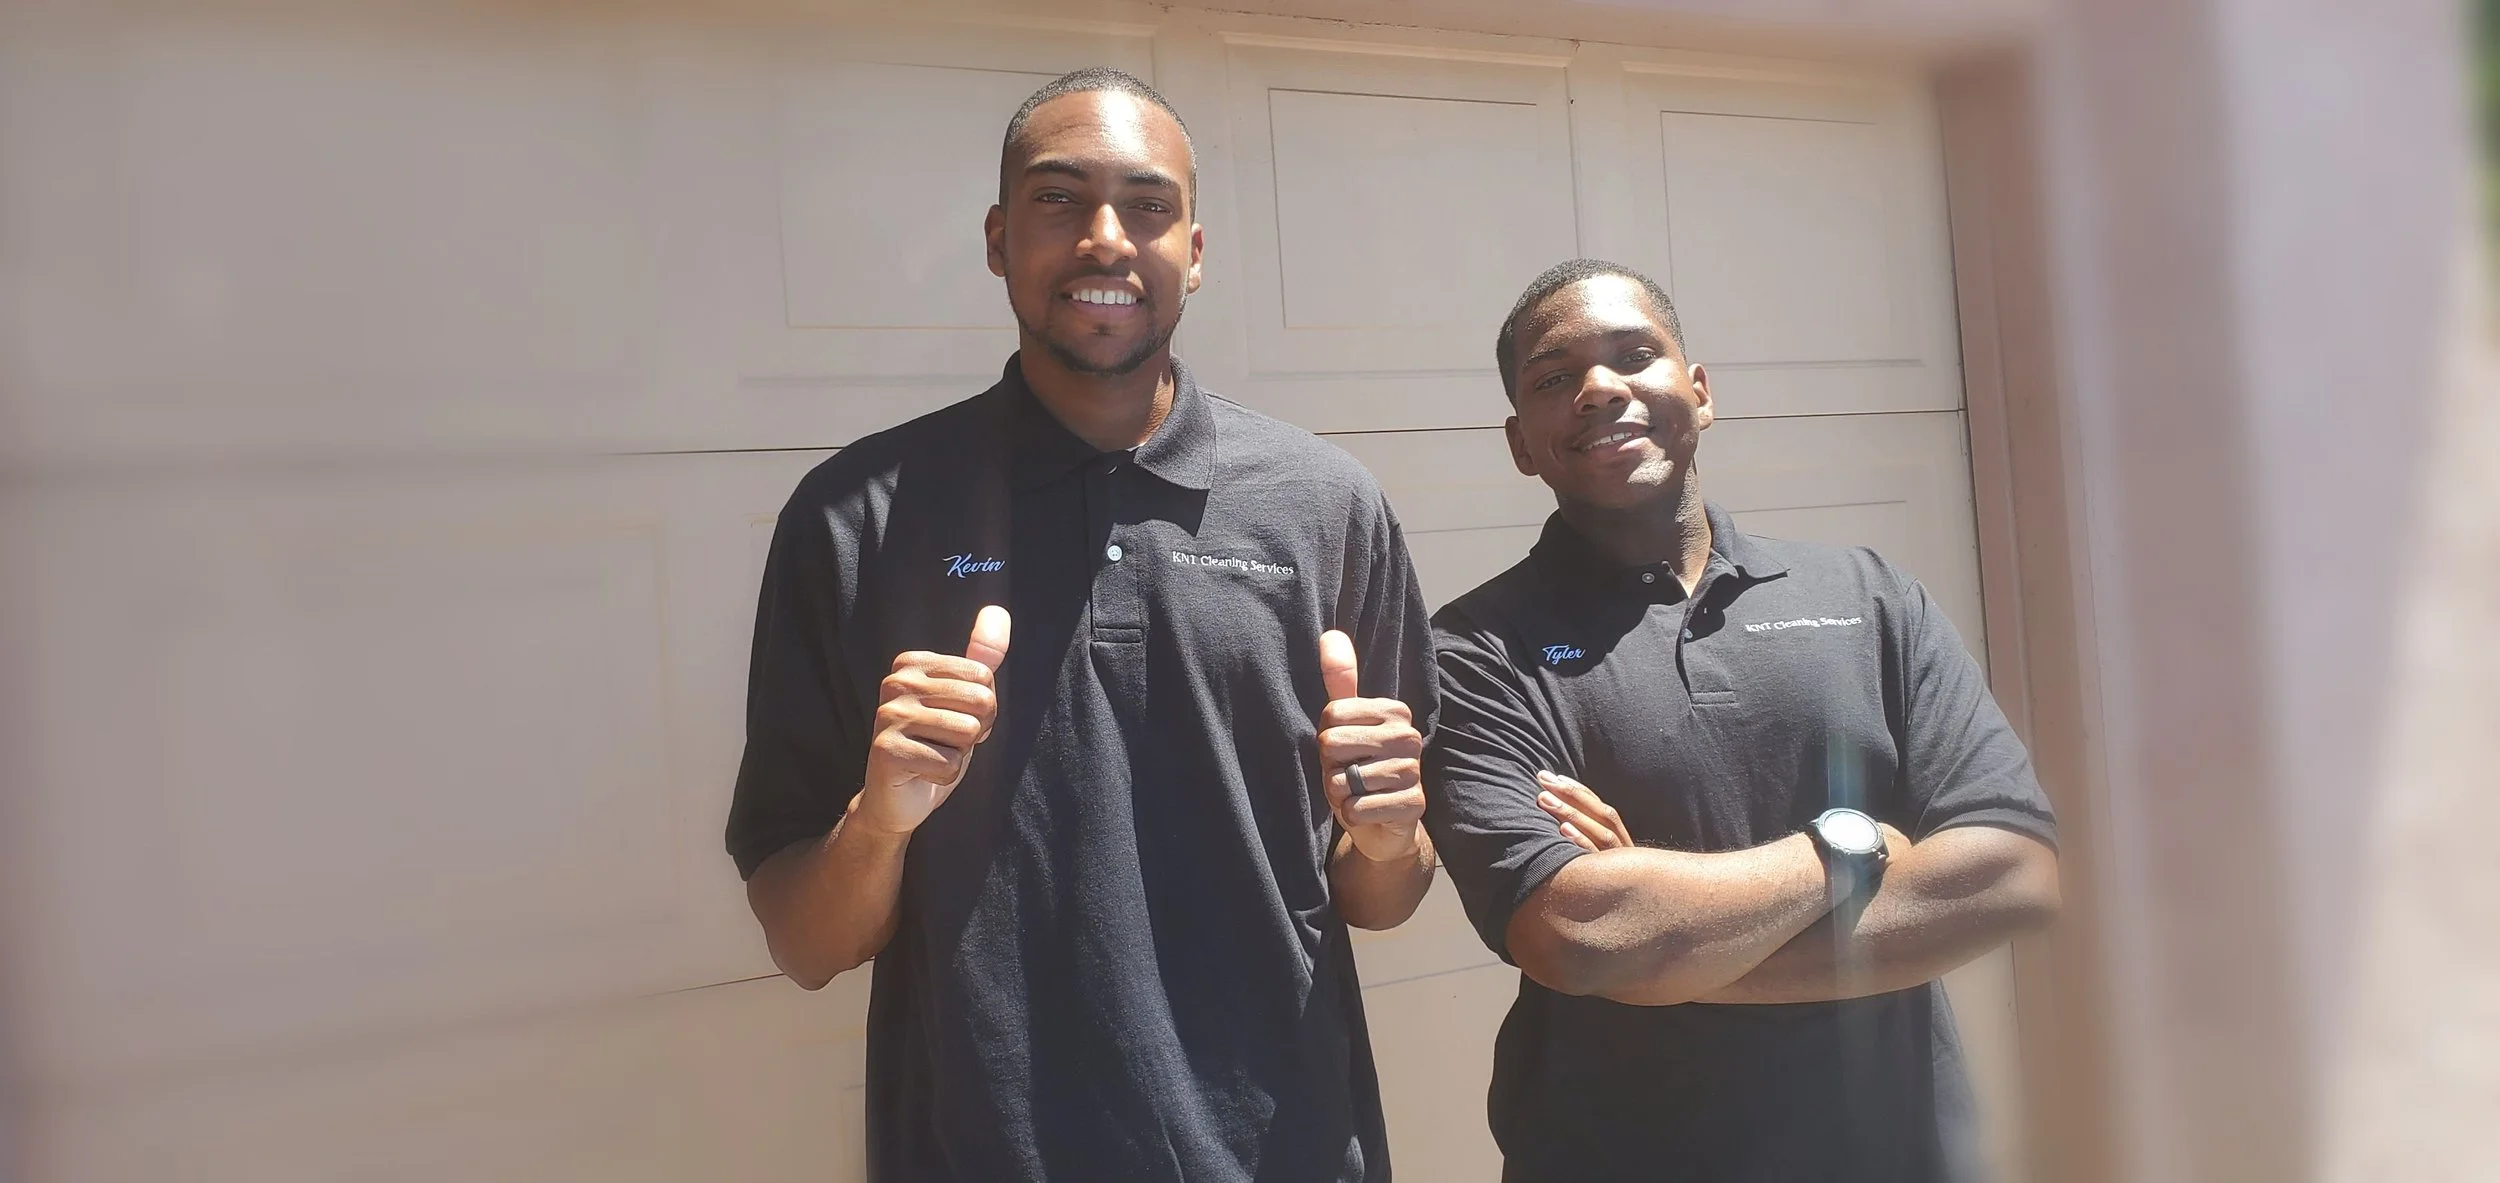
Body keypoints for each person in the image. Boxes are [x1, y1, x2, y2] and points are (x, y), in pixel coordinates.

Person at [723, 68, 1436, 1182]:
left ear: (1193, 252)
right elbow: (809, 943)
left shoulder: (1326, 505)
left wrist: (1392, 839)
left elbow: (1382, 893)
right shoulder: (857, 515)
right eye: (1060, 201)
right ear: (1001, 239)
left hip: (1289, 1145)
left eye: (1148, 206)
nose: (1106, 239)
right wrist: (878, 822)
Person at [1422, 258, 2062, 1182]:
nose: (1601, 388)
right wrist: (1848, 845)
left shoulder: (1870, 596)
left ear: (1700, 390)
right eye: (1555, 377)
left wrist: (1669, 951)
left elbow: (2012, 873)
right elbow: (1575, 934)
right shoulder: (1478, 650)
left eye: (1635, 355)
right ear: (1522, 441)